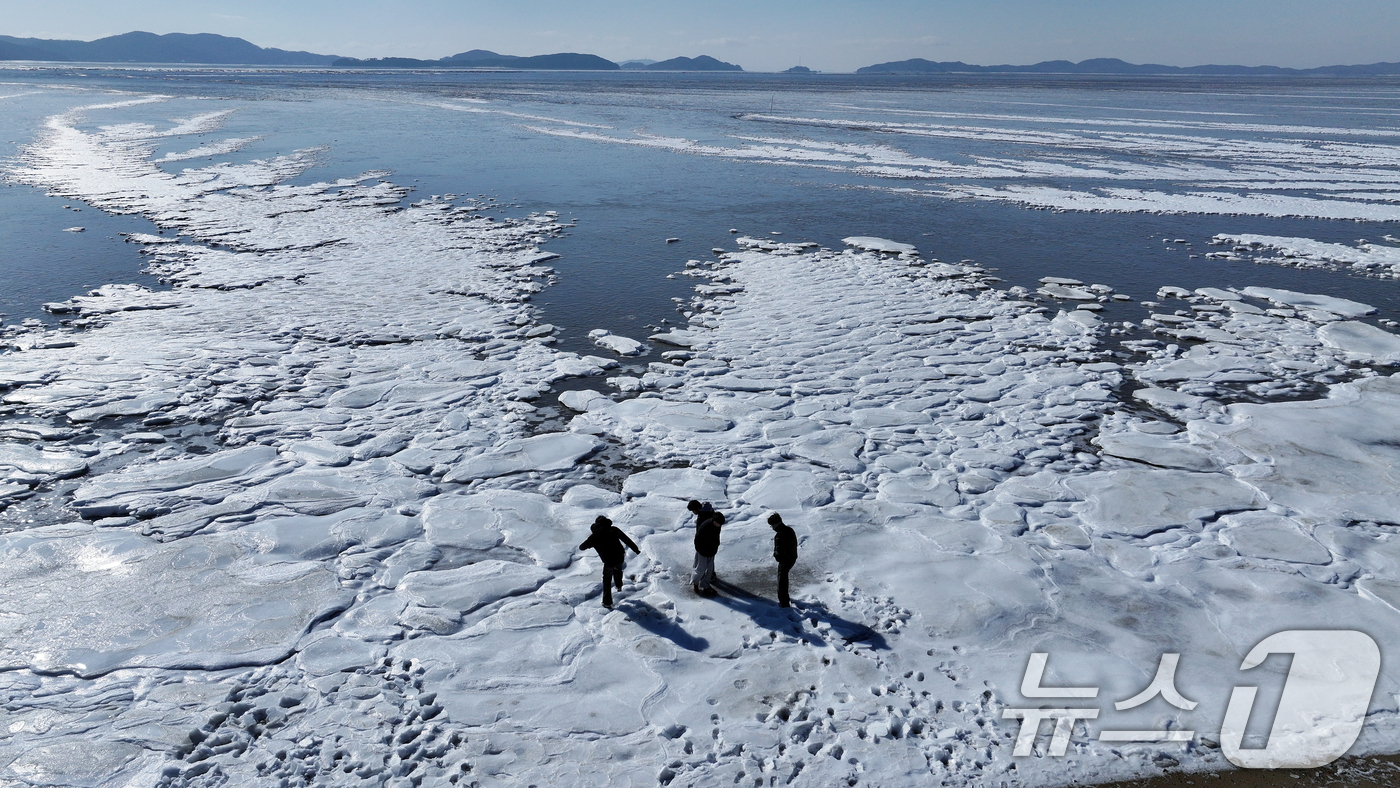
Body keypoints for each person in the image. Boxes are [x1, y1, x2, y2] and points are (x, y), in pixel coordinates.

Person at [578, 515, 640, 608]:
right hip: (619, 557)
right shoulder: (614, 530)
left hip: (608, 561)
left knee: (607, 580)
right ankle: (619, 586)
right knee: (618, 570)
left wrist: (592, 543)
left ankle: (607, 602)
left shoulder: (594, 536)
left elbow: (581, 547)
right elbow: (626, 539)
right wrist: (636, 550)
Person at [688, 499, 725, 596]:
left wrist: (715, 546)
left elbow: (712, 536)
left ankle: (705, 584)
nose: (694, 513)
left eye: (693, 510)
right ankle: (695, 582)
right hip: (703, 548)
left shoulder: (705, 518)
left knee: (707, 567)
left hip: (710, 548)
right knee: (701, 567)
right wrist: (700, 548)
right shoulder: (708, 517)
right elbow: (699, 538)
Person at [769, 513, 798, 607]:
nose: (772, 528)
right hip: (792, 558)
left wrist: (776, 556)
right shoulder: (790, 530)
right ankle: (786, 598)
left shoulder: (779, 535)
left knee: (782, 581)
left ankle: (784, 602)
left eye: (771, 525)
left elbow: (779, 552)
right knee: (784, 579)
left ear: (774, 524)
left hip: (784, 561)